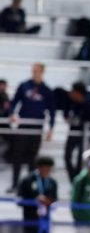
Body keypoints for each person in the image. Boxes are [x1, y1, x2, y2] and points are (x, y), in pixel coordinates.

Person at [8, 63, 55, 192]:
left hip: (36, 127)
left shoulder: (46, 90)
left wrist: (50, 128)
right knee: (17, 156)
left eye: (37, 71)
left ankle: (29, 187)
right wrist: (12, 114)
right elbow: (14, 102)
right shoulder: (24, 86)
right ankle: (15, 184)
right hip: (23, 125)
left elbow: (51, 111)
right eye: (33, 71)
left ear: (42, 72)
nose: (35, 73)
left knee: (32, 159)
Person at [63, 82, 90, 182]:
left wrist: (83, 103)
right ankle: (74, 180)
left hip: (88, 133)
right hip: (74, 132)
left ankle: (87, 180)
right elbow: (65, 112)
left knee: (87, 158)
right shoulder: (71, 100)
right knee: (67, 156)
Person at [17, 156, 57, 233]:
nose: (46, 171)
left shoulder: (52, 182)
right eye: (44, 168)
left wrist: (48, 201)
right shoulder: (27, 180)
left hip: (46, 219)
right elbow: (19, 199)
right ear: (39, 167)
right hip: (30, 218)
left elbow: (54, 199)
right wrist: (34, 200)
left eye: (49, 169)